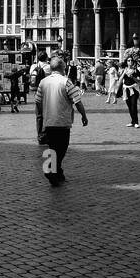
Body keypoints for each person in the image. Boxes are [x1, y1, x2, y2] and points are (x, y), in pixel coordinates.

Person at [35, 55, 89, 186]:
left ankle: (57, 173)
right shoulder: (66, 81)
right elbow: (77, 101)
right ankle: (50, 169)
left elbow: (37, 101)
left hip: (49, 121)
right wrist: (84, 115)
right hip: (63, 121)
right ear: (62, 68)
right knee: (62, 148)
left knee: (52, 147)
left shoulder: (43, 82)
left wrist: (42, 115)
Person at [121, 57, 140, 128]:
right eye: (128, 60)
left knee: (133, 105)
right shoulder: (124, 70)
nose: (130, 62)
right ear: (126, 62)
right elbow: (120, 80)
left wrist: (132, 77)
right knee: (129, 106)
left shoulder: (136, 71)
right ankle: (132, 121)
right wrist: (124, 73)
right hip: (126, 89)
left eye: (131, 60)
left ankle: (136, 122)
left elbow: (139, 81)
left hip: (134, 89)